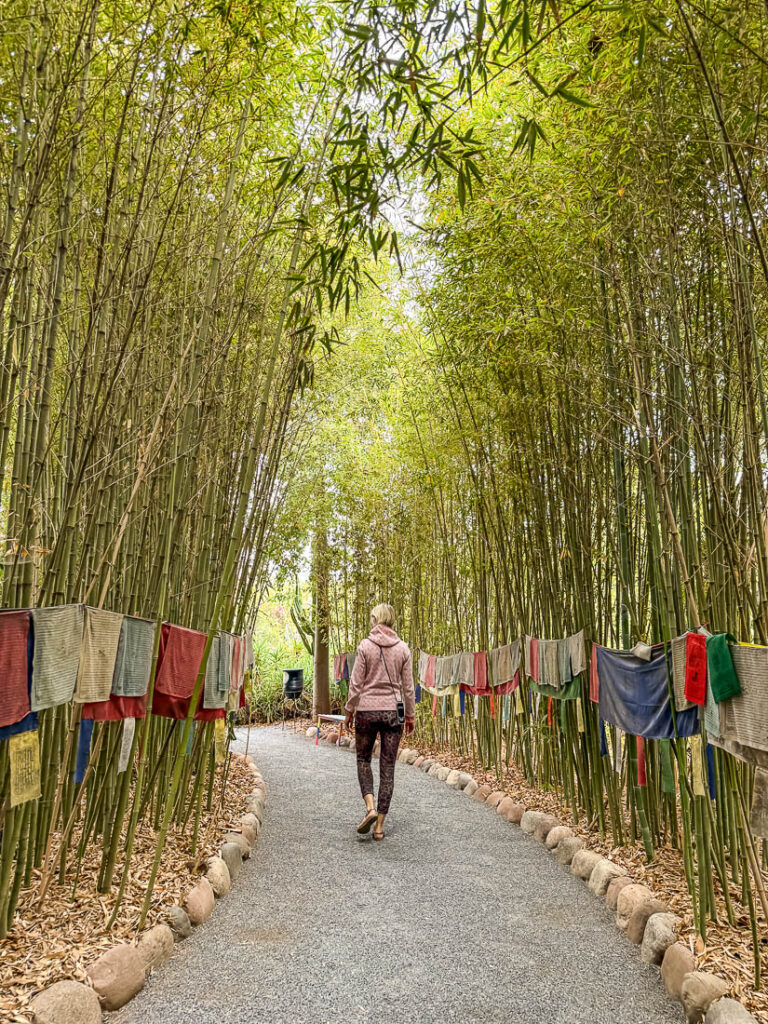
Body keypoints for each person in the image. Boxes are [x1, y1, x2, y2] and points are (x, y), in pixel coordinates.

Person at [344, 603, 415, 840]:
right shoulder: (403, 648)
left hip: (367, 711)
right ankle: (379, 827)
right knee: (388, 767)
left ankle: (370, 808)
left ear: (376, 620)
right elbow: (408, 688)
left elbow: (356, 683)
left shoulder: (365, 646)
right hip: (393, 713)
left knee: (363, 759)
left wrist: (349, 710)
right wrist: (410, 715)